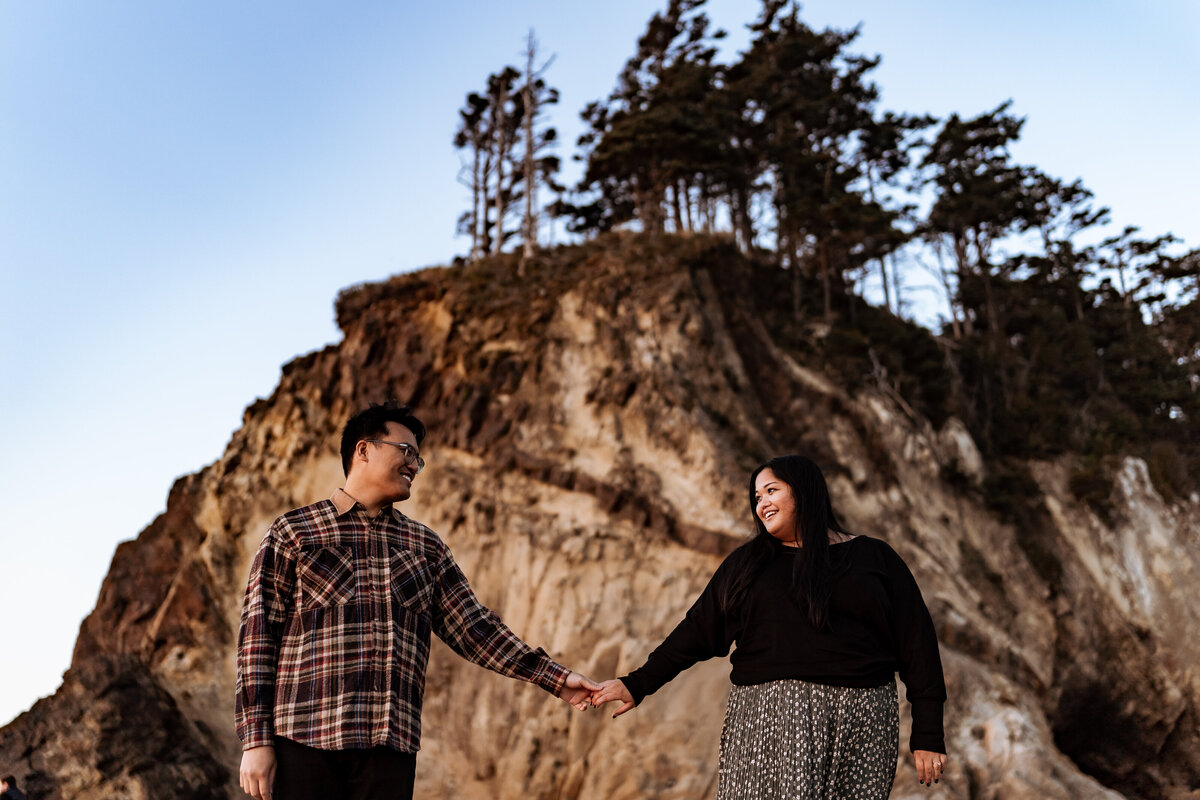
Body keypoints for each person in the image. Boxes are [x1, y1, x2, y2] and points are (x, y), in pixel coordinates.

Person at [236, 401, 599, 800]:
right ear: (364, 450)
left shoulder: (425, 547)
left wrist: (556, 679)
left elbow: (475, 629)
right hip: (303, 745)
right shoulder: (295, 531)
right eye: (406, 451)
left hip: (390, 753)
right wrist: (256, 741)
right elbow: (257, 638)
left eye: (418, 459)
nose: (414, 465)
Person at [590, 454, 948, 798]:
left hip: (863, 725)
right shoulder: (747, 565)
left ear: (804, 491)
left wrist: (928, 734)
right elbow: (696, 631)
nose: (761, 503)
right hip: (770, 721)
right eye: (757, 497)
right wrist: (636, 684)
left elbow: (917, 643)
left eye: (771, 490)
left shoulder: (875, 557)